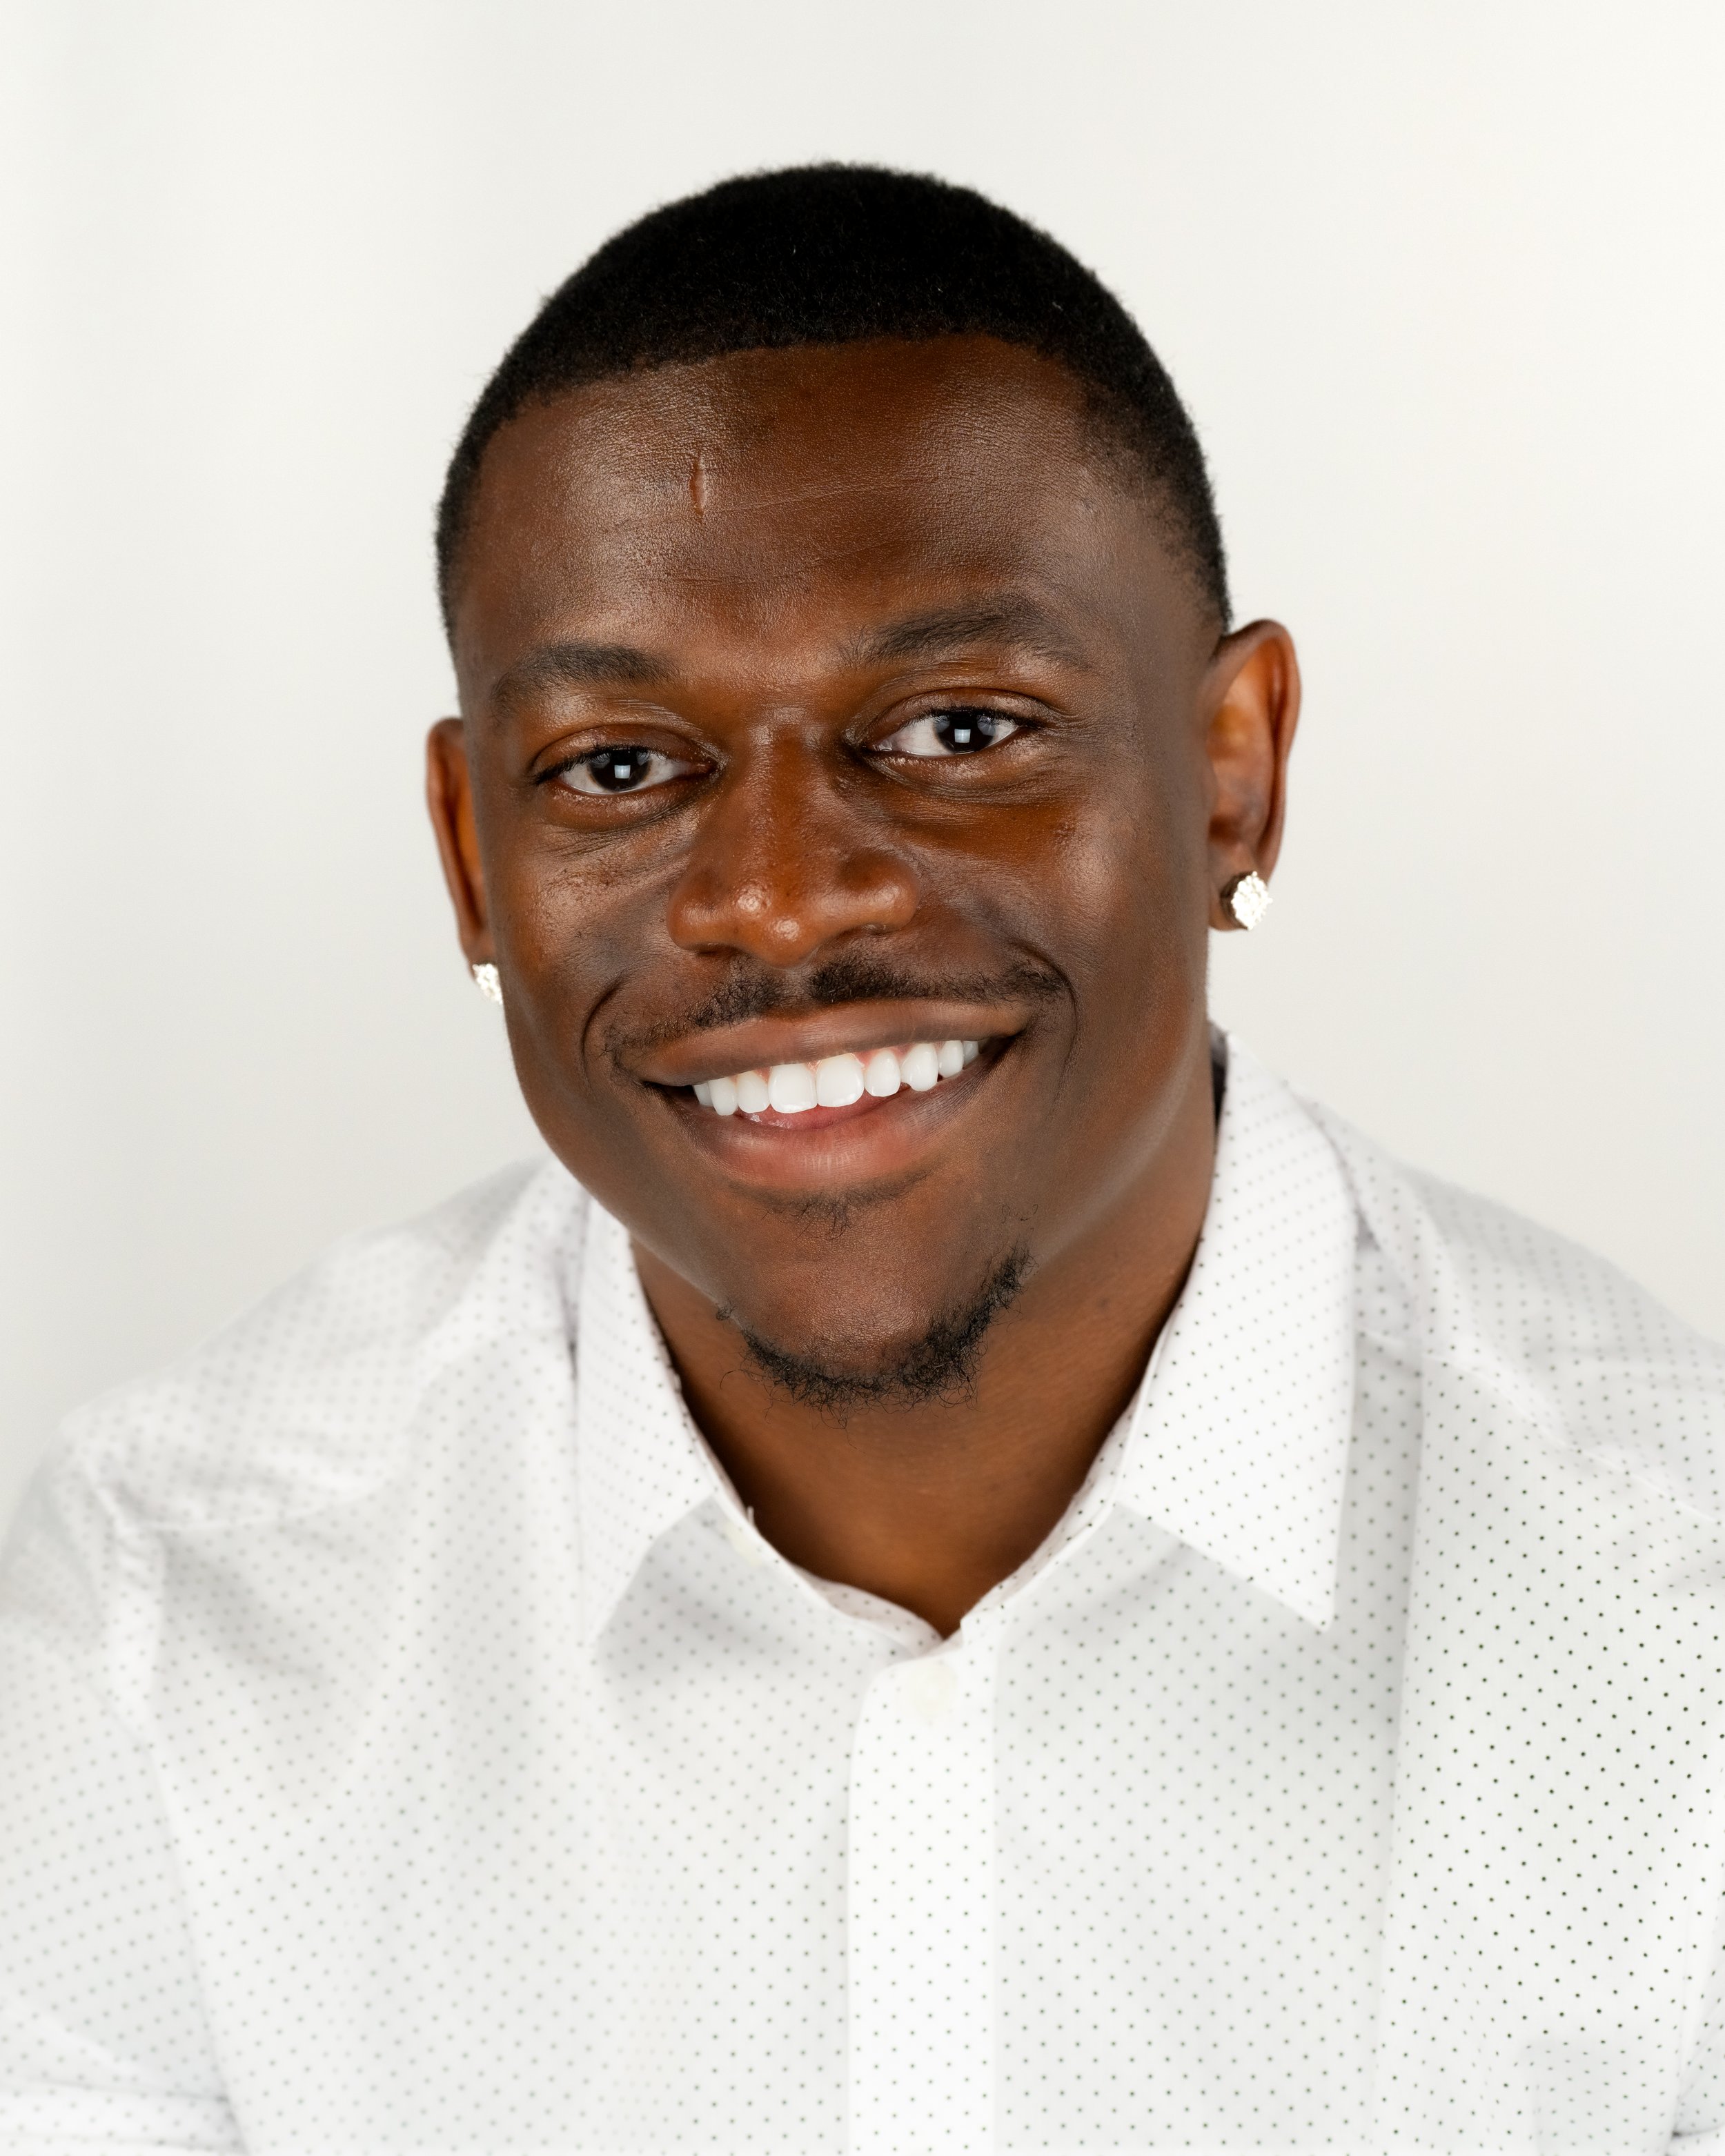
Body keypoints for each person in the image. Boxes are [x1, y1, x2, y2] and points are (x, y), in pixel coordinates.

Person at [1, 164, 1722, 2156]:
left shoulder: (1672, 1629)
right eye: (619, 770)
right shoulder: (173, 1618)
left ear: (1232, 769)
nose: (777, 902)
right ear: (475, 857)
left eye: (962, 727)